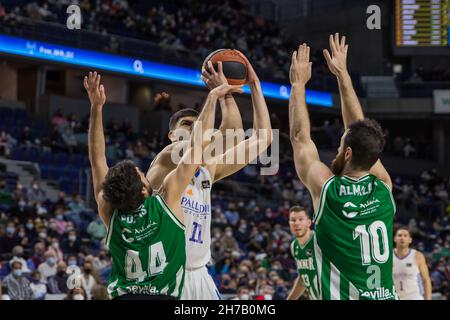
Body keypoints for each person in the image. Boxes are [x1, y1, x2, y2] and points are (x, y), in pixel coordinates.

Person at [84, 71, 243, 300]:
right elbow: (198, 145)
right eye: (142, 175)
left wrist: (96, 108)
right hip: (164, 294)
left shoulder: (111, 214)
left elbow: (97, 158)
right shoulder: (164, 204)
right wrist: (215, 96)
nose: (146, 175)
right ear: (144, 189)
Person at [146, 53, 272, 300]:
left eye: (198, 124)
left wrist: (255, 85)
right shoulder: (165, 158)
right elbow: (223, 135)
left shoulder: (207, 169)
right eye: (187, 125)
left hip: (200, 275)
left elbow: (262, 138)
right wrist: (220, 94)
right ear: (172, 135)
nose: (195, 129)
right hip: (166, 274)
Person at [288, 35, 396, 300]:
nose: (336, 149)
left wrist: (298, 84)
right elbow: (360, 132)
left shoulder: (328, 189)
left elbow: (300, 137)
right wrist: (343, 75)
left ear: (347, 153)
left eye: (339, 145)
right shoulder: (384, 186)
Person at [286, 206, 319, 300]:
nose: (297, 223)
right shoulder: (294, 246)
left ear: (309, 222)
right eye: (293, 220)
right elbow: (303, 278)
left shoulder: (319, 240)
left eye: (301, 219)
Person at [393, 227, 432, 300]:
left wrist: (428, 298)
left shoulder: (418, 256)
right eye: (399, 235)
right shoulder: (388, 256)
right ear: (395, 238)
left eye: (405, 236)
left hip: (415, 297)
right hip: (395, 297)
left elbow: (426, 279)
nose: (402, 238)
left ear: (410, 240)